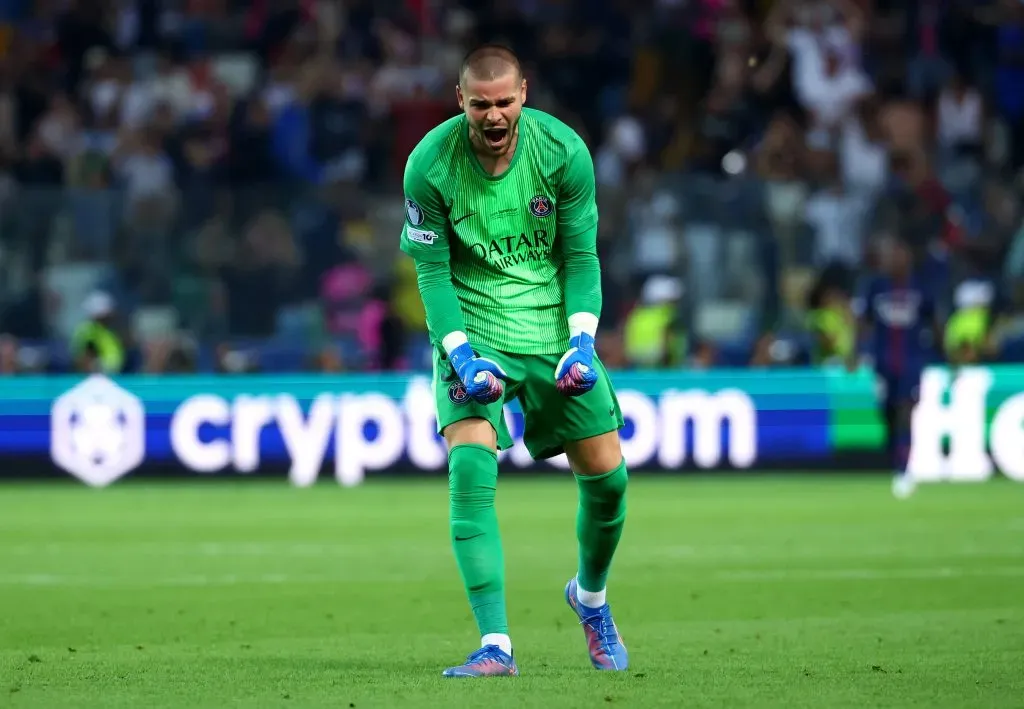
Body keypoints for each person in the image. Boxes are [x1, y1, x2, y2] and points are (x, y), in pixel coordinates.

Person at [399, 45, 629, 678]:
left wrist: (582, 341)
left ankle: (590, 599)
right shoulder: (429, 164)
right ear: (461, 101)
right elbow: (432, 274)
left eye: (504, 102)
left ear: (523, 94)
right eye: (481, 104)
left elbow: (581, 257)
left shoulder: (563, 152)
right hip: (474, 332)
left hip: (552, 329)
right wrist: (460, 355)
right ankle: (495, 645)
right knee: (471, 468)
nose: (494, 115)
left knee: (609, 481)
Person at [854, 236, 942, 494]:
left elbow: (934, 321)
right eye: (892, 256)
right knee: (887, 413)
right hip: (882, 363)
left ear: (909, 259)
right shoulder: (875, 287)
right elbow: (864, 321)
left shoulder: (920, 287)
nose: (896, 260)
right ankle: (895, 457)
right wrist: (856, 352)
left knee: (905, 411)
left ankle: (903, 470)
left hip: (912, 361)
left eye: (900, 256)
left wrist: (944, 353)